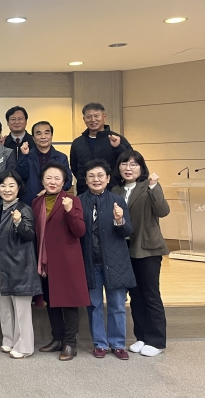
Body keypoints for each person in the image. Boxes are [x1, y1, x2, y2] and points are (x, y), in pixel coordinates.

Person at [111, 150, 170, 357]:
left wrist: (154, 186)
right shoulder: (116, 189)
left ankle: (157, 340)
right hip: (125, 249)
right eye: (124, 163)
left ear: (141, 167)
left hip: (147, 248)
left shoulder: (148, 186)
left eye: (134, 164)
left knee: (151, 294)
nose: (128, 168)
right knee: (135, 295)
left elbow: (163, 211)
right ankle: (142, 337)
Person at [32, 162, 89, 361]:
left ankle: (70, 343)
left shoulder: (72, 200)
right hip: (46, 261)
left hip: (66, 260)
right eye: (48, 178)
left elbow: (80, 231)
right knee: (52, 301)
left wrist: (70, 211)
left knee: (69, 302)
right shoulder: (37, 202)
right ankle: (57, 339)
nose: (53, 182)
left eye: (57, 178)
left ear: (64, 181)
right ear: (42, 181)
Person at [78, 159, 135, 360]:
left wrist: (119, 220)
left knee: (117, 305)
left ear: (108, 178)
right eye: (91, 176)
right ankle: (100, 343)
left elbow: (128, 231)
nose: (96, 179)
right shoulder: (78, 201)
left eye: (100, 175)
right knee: (93, 305)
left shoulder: (117, 201)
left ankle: (118, 344)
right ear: (86, 179)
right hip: (90, 262)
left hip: (115, 262)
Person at [0, 170, 40, 359]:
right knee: (5, 303)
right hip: (2, 261)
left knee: (21, 307)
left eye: (11, 185)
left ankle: (25, 346)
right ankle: (9, 339)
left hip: (20, 263)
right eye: (3, 185)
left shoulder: (24, 208)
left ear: (19, 188)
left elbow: (29, 234)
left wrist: (19, 222)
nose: (7, 189)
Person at [70, 103, 132, 194]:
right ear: (84, 119)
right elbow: (75, 168)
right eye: (88, 117)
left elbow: (130, 161)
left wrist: (118, 147)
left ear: (104, 117)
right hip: (84, 193)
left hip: (113, 191)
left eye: (96, 116)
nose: (93, 120)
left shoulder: (117, 139)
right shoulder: (77, 143)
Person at [16, 121, 72, 206]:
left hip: (55, 203)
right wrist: (24, 155)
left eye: (47, 133)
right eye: (38, 133)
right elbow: (20, 177)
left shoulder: (61, 157)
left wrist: (50, 190)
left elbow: (68, 182)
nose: (43, 137)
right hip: (29, 204)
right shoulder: (26, 155)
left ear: (51, 135)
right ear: (33, 138)